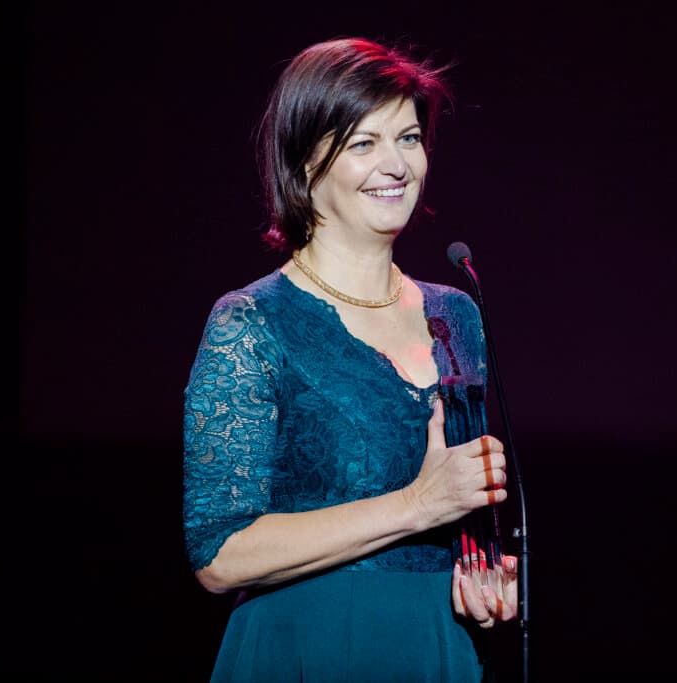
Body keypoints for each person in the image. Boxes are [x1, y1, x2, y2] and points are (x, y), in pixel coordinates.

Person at [183, 37, 517, 682]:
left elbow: (462, 511)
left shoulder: (455, 313)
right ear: (305, 161)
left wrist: (482, 577)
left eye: (409, 138)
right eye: (363, 143)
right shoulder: (252, 322)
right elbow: (218, 556)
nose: (396, 164)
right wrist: (416, 505)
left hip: (434, 647)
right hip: (306, 649)